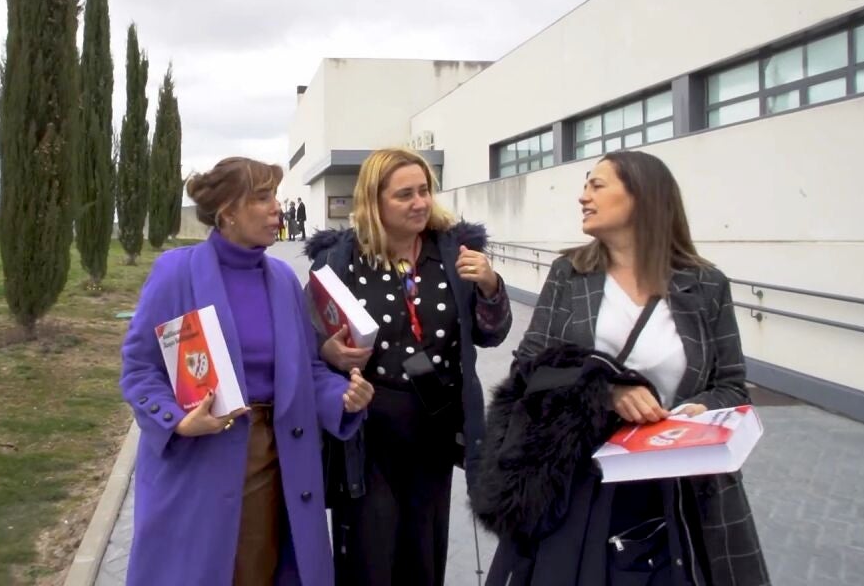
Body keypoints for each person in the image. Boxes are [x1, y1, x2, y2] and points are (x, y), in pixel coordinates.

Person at [478, 150, 770, 585]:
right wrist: (606, 390)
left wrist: (699, 411)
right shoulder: (569, 275)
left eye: (597, 186)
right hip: (579, 483)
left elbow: (731, 385)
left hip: (682, 487)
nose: (583, 197)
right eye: (585, 186)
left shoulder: (706, 285)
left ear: (641, 196)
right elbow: (528, 370)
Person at [120, 156, 375, 586]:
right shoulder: (176, 272)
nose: (277, 208)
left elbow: (308, 368)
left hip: (276, 460)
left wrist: (342, 397)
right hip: (199, 461)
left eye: (275, 196)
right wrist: (177, 419)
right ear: (228, 212)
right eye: (262, 198)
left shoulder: (283, 279)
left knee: (264, 568)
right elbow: (140, 367)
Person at [305, 147, 512, 586]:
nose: (420, 202)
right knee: (369, 547)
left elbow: (491, 334)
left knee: (424, 546)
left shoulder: (454, 251)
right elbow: (311, 337)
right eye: (404, 195)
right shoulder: (339, 259)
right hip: (367, 424)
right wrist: (330, 352)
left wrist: (491, 286)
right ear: (374, 201)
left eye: (424, 191)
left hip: (435, 420)